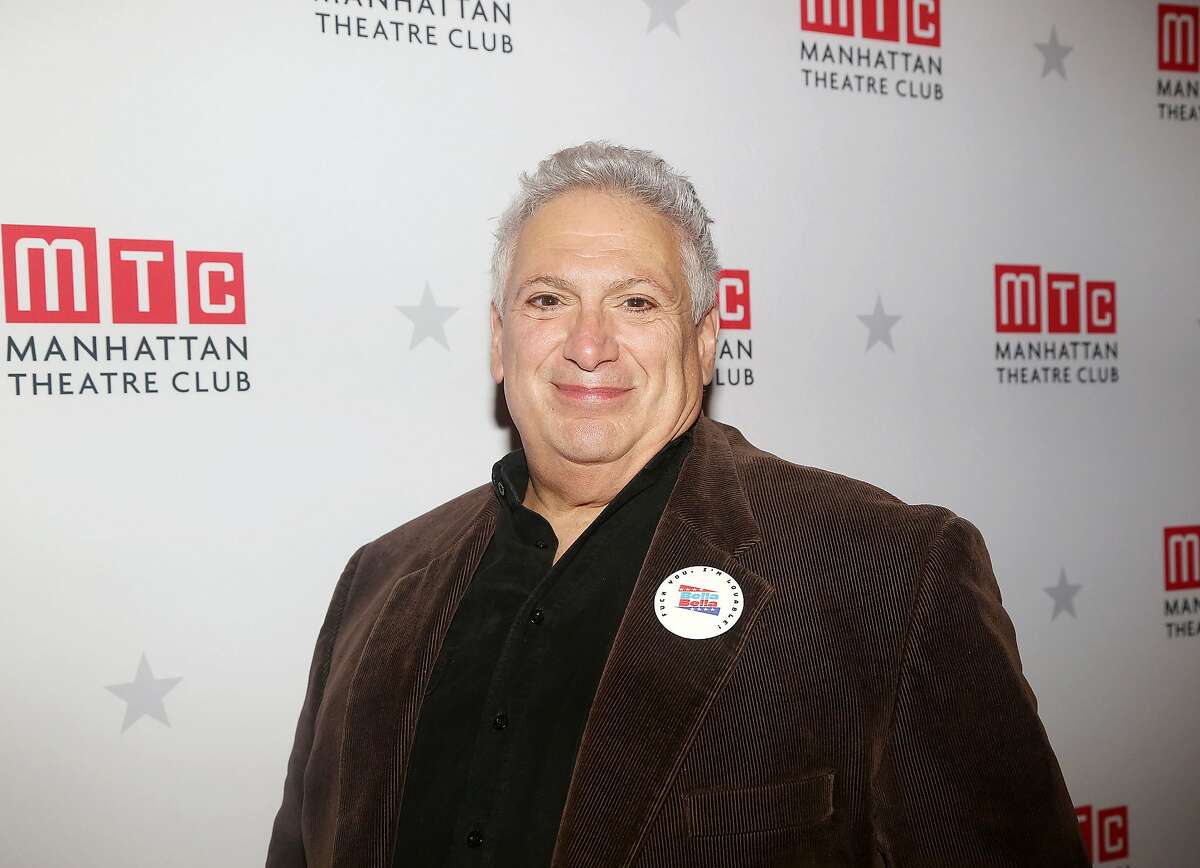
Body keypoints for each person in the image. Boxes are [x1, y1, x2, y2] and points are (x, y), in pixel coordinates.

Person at [266, 141, 1088, 867]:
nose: (589, 345)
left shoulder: (889, 577)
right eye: (548, 300)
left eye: (636, 302)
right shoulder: (376, 583)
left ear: (703, 344)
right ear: (497, 339)